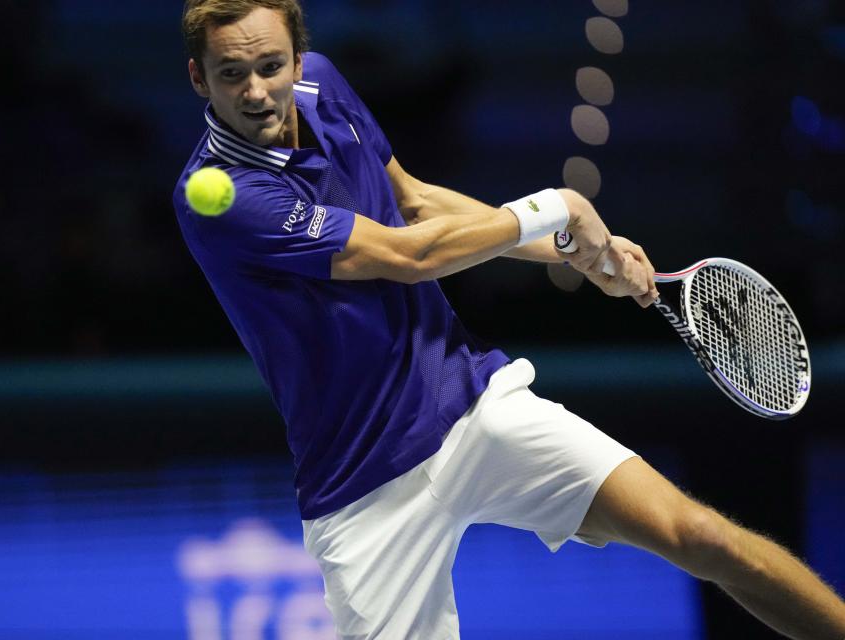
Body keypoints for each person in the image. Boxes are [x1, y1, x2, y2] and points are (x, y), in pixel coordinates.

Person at [173, 1, 845, 637]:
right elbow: (412, 255)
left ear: (298, 58)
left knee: (703, 536)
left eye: (270, 67)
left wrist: (573, 250)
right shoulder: (220, 198)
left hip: (470, 403)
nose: (256, 90)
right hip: (364, 486)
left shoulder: (322, 86)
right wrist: (557, 208)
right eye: (232, 74)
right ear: (200, 77)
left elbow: (413, 202)